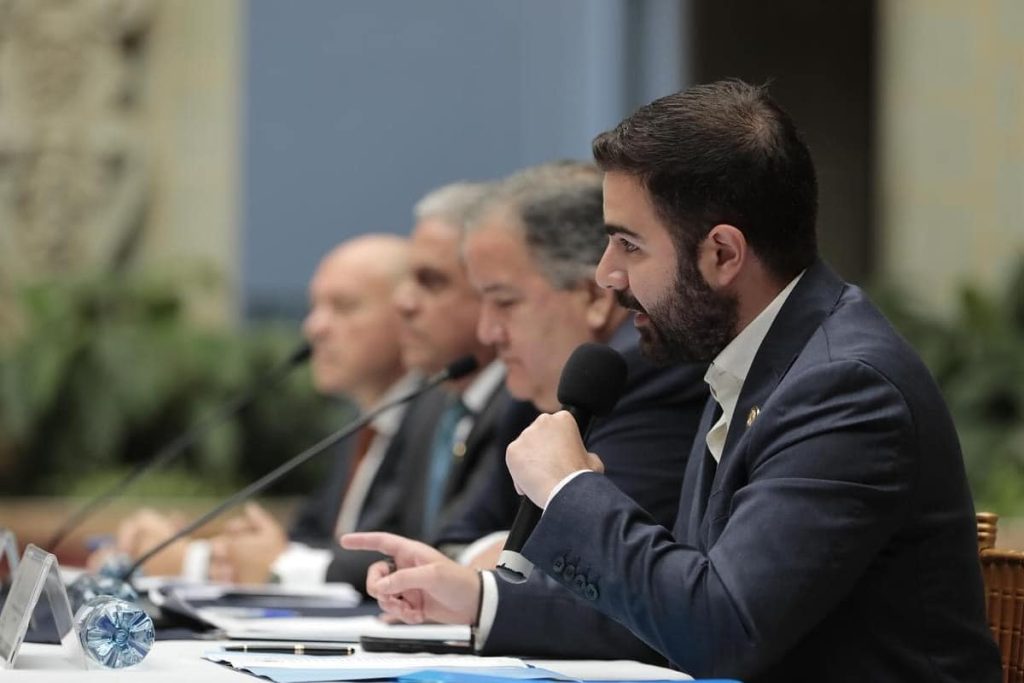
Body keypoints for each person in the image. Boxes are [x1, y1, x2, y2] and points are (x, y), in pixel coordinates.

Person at [343, 81, 1002, 682]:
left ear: (722, 254)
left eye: (628, 244)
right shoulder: (749, 359)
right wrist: (481, 599)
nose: (607, 274)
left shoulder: (843, 387)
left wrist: (570, 490)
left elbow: (721, 629)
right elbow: (674, 611)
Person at [435, 161, 706, 568]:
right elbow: (453, 537)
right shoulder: (534, 392)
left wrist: (489, 562)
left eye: (505, 302)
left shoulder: (646, 372)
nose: (487, 332)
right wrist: (486, 557)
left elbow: (599, 566)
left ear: (594, 298)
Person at [106, 235, 416, 589]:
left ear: (409, 313)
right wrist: (216, 551)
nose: (314, 327)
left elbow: (398, 555)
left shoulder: (431, 428)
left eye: (344, 307)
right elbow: (310, 543)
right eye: (315, 306)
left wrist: (195, 561)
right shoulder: (361, 427)